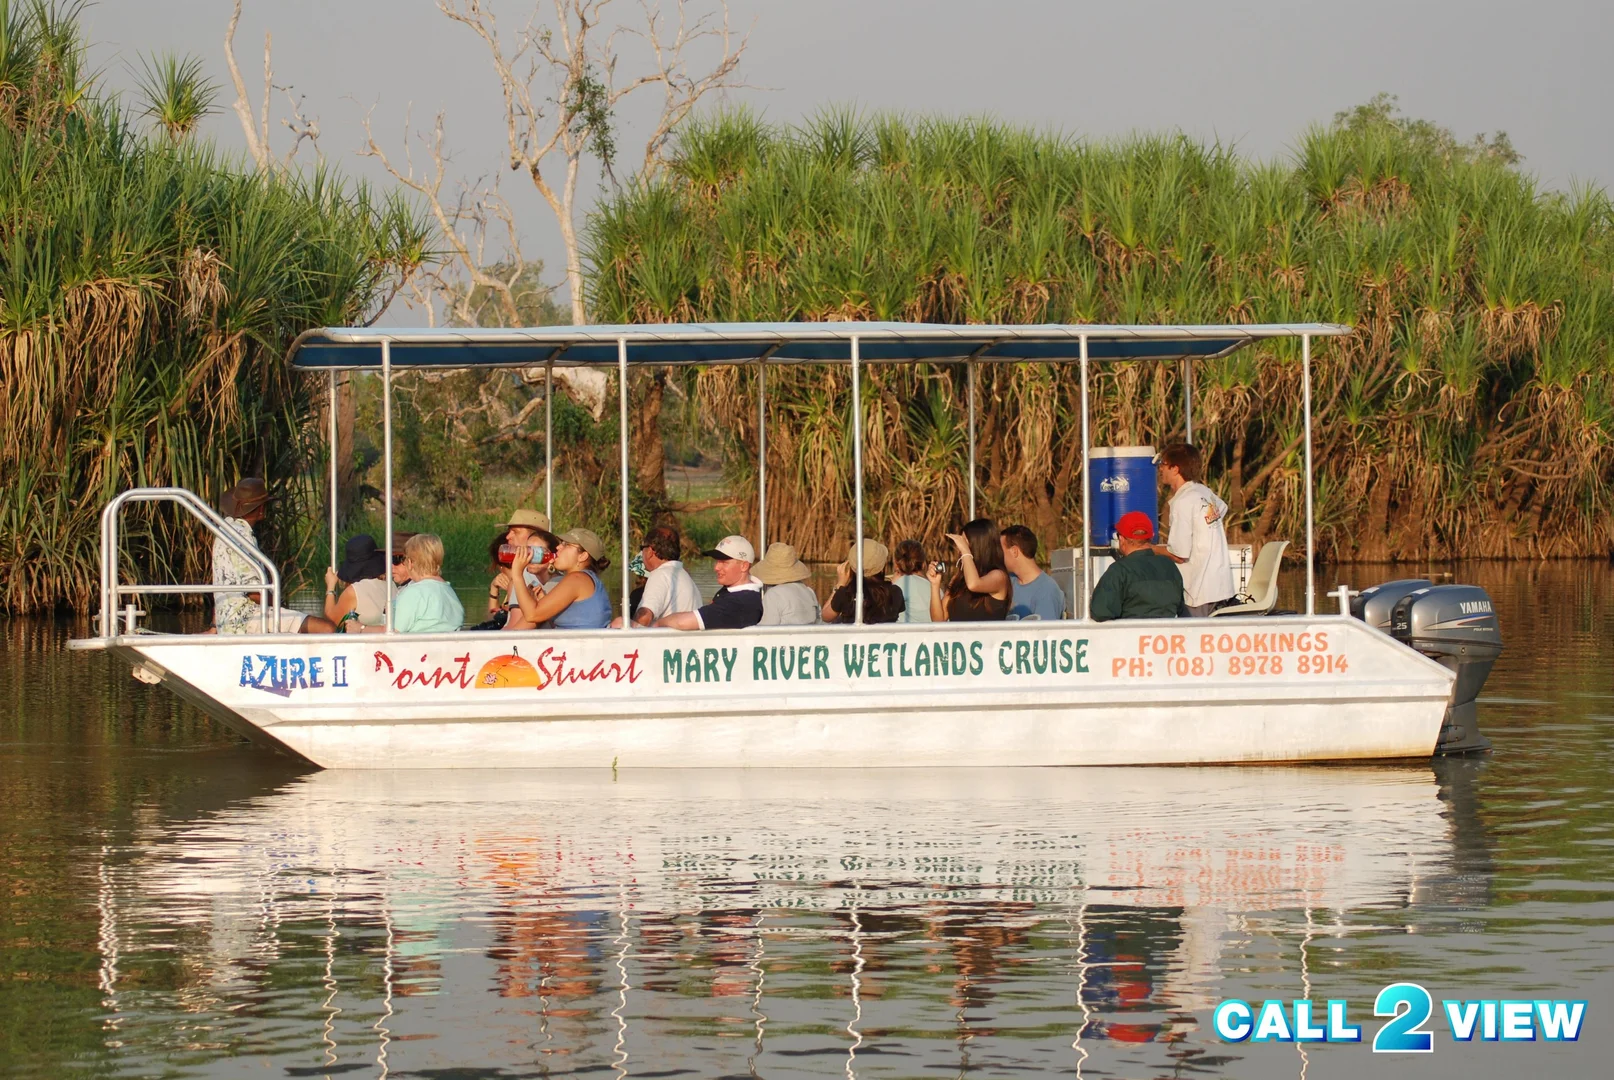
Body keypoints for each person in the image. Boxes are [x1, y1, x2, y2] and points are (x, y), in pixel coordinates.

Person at [212, 477, 335, 634]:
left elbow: (223, 582)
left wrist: (213, 625)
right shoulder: (243, 537)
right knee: (327, 628)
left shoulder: (224, 529)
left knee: (298, 622)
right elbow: (256, 593)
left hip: (226, 620)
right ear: (261, 509)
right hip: (245, 619)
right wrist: (281, 609)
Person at [1153, 442, 1235, 618]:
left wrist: (1149, 548)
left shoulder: (1183, 502)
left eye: (1163, 465)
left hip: (1199, 591)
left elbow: (1179, 554)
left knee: (1193, 639)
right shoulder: (1203, 492)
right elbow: (1223, 508)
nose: (1160, 469)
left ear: (1175, 469)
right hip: (1220, 586)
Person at [510, 527, 613, 630]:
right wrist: (542, 601)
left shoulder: (577, 579)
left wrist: (517, 573)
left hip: (578, 645)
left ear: (582, 556)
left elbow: (532, 615)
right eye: (561, 543)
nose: (558, 547)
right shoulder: (584, 579)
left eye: (566, 545)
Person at [1091, 511, 1185, 621]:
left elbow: (1100, 612)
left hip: (1129, 635)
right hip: (1166, 635)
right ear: (1151, 536)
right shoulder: (1169, 566)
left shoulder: (1119, 570)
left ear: (1121, 539)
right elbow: (1180, 607)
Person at [657, 535, 763, 630]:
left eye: (724, 562)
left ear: (744, 566)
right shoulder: (732, 592)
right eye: (717, 561)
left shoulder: (741, 601)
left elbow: (682, 623)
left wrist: (657, 623)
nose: (716, 567)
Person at [616, 523, 700, 627]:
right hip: (682, 641)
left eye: (642, 548)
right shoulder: (685, 577)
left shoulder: (660, 575)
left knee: (618, 623)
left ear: (650, 551)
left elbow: (644, 616)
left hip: (665, 642)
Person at [927, 518, 1011, 622]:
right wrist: (935, 585)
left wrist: (965, 551)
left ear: (979, 544)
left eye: (964, 542)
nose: (959, 548)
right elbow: (938, 620)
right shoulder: (958, 579)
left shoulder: (999, 576)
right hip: (959, 637)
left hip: (986, 638)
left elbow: (973, 584)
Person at [491, 510, 562, 630]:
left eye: (515, 532)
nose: (508, 536)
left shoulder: (526, 575)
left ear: (533, 535)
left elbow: (517, 626)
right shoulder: (556, 577)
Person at [391, 533, 465, 633]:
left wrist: (362, 628)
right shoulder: (449, 592)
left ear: (410, 562)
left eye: (404, 559)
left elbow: (393, 634)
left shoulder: (414, 593)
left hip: (418, 647)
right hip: (449, 647)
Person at [824, 539, 904, 624]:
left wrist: (840, 584)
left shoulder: (845, 594)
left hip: (854, 637)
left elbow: (825, 617)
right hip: (884, 637)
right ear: (882, 567)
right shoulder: (895, 592)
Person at [323, 534, 390, 632]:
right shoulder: (390, 585)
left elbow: (331, 623)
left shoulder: (354, 592)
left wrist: (330, 586)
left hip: (366, 645)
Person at [1001, 524, 1068, 621]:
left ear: (1014, 551)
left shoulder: (1047, 591)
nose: (998, 556)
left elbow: (1046, 634)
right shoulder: (1008, 581)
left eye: (1001, 551)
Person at [754, 542, 821, 625]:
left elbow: (765, 630)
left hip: (784, 638)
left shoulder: (773, 595)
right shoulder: (809, 592)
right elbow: (819, 621)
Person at [890, 540, 932, 624]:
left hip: (910, 635)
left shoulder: (902, 583)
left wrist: (893, 586)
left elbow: (886, 611)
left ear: (896, 565)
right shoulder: (936, 588)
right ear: (923, 564)